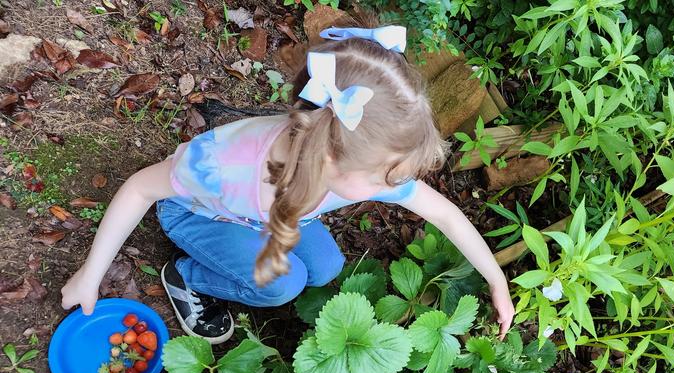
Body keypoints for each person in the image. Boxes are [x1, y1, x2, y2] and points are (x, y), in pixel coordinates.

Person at [60, 24, 515, 344]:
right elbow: (140, 189)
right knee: (282, 284)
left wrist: (496, 279)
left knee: (326, 267)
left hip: (279, 210)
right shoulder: (224, 166)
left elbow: (442, 212)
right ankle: (187, 276)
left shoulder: (353, 158)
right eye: (387, 176)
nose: (395, 185)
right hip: (203, 212)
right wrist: (90, 275)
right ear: (333, 159)